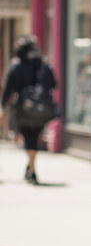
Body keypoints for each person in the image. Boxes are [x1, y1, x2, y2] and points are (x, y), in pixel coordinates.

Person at [0, 35, 57, 184]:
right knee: (34, 137)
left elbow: (7, 88)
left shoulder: (16, 64)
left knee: (27, 137)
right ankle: (31, 167)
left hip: (21, 107)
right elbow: (53, 84)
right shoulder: (42, 63)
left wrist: (3, 106)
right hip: (39, 108)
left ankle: (31, 168)